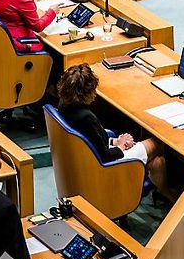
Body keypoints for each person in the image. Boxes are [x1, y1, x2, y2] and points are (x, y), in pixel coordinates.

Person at [55, 64, 171, 197]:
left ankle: (162, 189)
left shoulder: (63, 104)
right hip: (108, 164)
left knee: (157, 160)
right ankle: (163, 190)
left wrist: (116, 141)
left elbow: (92, 138)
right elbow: (104, 155)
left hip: (91, 157)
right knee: (158, 143)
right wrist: (121, 146)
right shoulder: (86, 117)